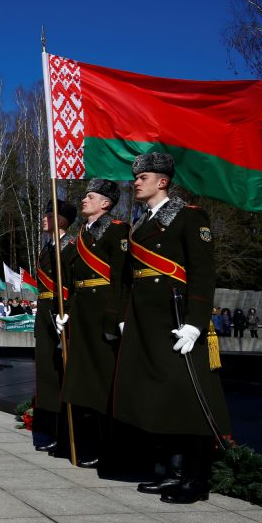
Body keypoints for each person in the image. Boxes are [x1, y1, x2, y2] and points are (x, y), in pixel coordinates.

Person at [113, 153, 231, 504]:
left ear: (162, 182)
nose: (136, 182)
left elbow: (202, 272)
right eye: (136, 177)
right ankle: (170, 472)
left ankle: (196, 479)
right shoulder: (139, 223)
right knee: (158, 397)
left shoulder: (189, 217)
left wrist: (196, 324)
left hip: (176, 319)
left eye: (143, 177)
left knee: (189, 398)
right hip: (147, 323)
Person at [58, 179, 129, 469]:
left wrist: (116, 316)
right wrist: (68, 312)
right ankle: (88, 445)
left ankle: (111, 449)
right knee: (83, 383)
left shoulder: (117, 230)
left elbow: (121, 277)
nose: (83, 200)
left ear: (106, 203)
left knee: (102, 384)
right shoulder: (81, 236)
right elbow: (74, 281)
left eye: (90, 196)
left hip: (102, 313)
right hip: (82, 314)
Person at [32, 199, 77, 454]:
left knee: (62, 372)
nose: (44, 218)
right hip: (45, 312)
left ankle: (64, 433)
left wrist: (67, 313)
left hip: (61, 312)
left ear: (62, 220)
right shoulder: (45, 249)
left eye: (49, 214)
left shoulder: (70, 247)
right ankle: (48, 430)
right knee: (47, 374)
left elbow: (71, 283)